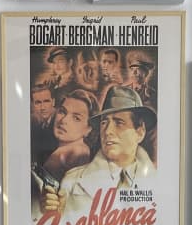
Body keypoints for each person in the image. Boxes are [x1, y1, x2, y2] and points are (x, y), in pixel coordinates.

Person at [40, 85, 156, 218]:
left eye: (119, 122)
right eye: (104, 122)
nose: (107, 131)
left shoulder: (157, 182)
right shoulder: (71, 181)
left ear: (140, 132)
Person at [38, 89, 98, 183]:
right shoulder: (66, 149)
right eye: (62, 112)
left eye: (76, 118)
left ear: (89, 129)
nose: (64, 120)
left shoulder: (76, 152)